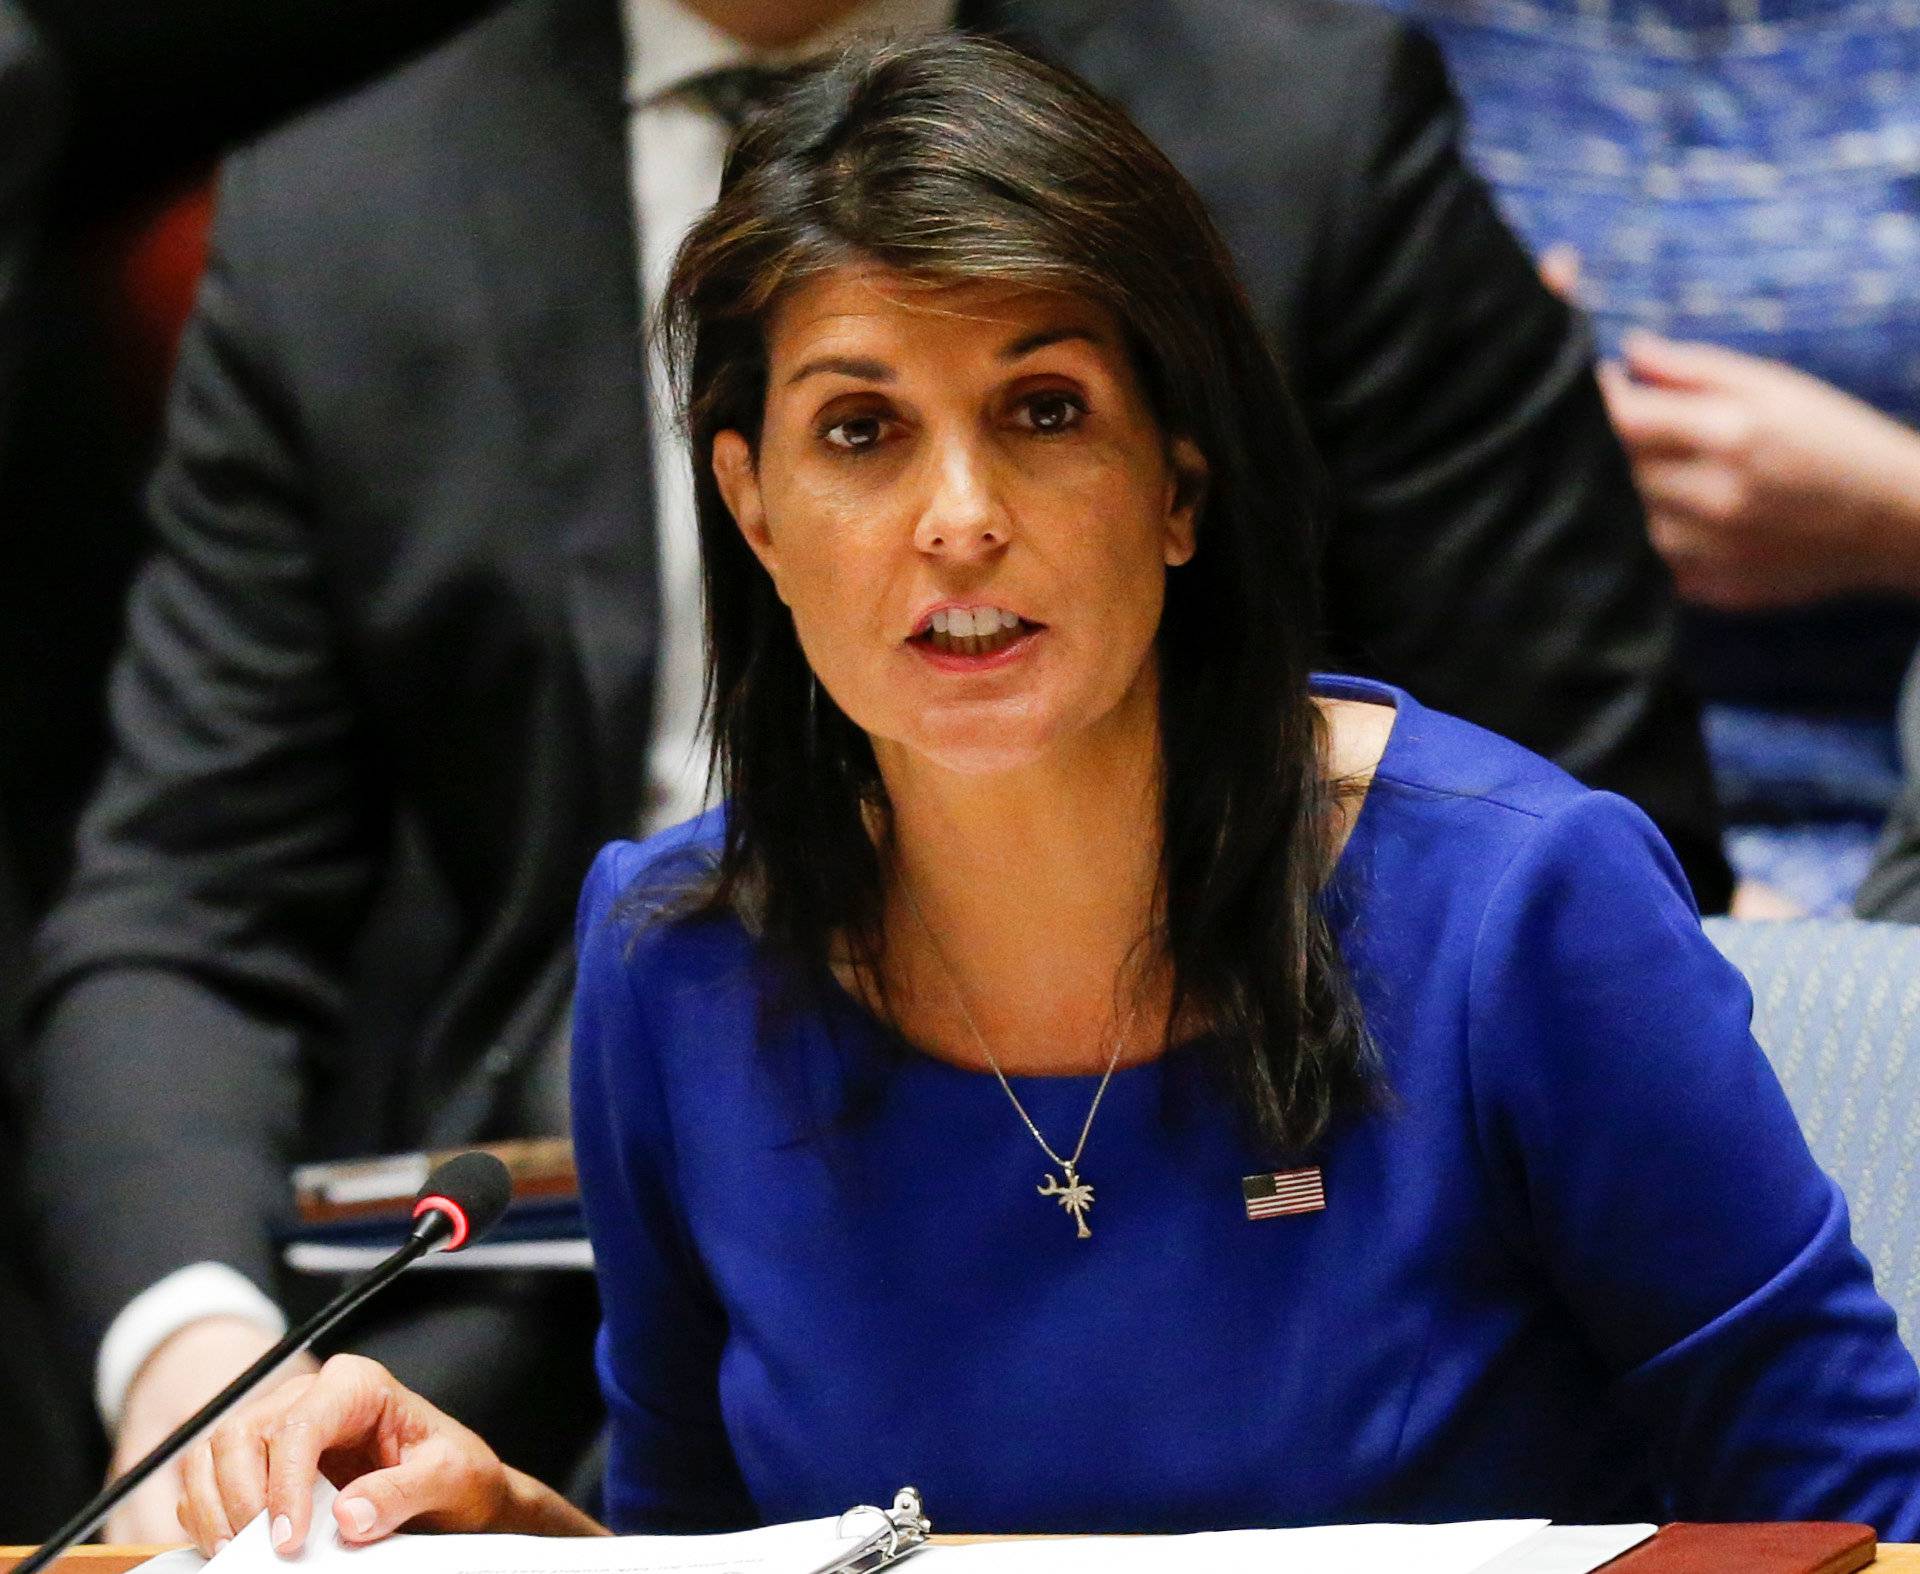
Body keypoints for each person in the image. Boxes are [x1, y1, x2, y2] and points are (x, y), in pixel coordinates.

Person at [172, 38, 1920, 1552]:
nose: (958, 514)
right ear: (754, 511)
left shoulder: (1519, 909)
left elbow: (1863, 1518)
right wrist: (503, 1532)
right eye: (860, 430)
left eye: (1042, 409)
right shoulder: (676, 960)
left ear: (1176, 482)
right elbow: (712, 1553)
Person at [1350, 0, 1920, 915]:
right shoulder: (1336, 50)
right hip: (1464, 828)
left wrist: (1893, 515)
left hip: (1887, 825)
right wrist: (1442, 407)